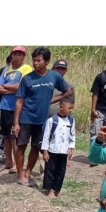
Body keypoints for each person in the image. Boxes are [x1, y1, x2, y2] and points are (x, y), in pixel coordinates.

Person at [13, 47, 71, 187]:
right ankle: (20, 175)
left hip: (42, 120)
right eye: (34, 60)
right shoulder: (27, 79)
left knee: (35, 147)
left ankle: (28, 174)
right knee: (21, 146)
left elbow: (67, 91)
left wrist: (51, 101)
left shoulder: (54, 76)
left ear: (47, 61)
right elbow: (19, 101)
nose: (35, 63)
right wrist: (16, 123)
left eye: (39, 60)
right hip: (26, 117)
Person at [0, 47, 31, 173]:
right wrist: (10, 89)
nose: (16, 56)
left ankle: (16, 164)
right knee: (6, 136)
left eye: (19, 54)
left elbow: (21, 86)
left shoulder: (26, 69)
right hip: (5, 106)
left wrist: (5, 86)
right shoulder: (6, 69)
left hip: (18, 107)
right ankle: (9, 162)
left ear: (24, 56)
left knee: (15, 136)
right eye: (14, 54)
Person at [41, 98, 76, 198]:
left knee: (61, 171)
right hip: (52, 150)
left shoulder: (71, 120)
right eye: (69, 108)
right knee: (50, 170)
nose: (70, 110)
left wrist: (70, 148)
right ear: (61, 107)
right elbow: (46, 137)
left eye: (72, 108)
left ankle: (57, 189)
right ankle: (49, 190)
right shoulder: (52, 120)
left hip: (63, 151)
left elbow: (72, 135)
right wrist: (45, 151)